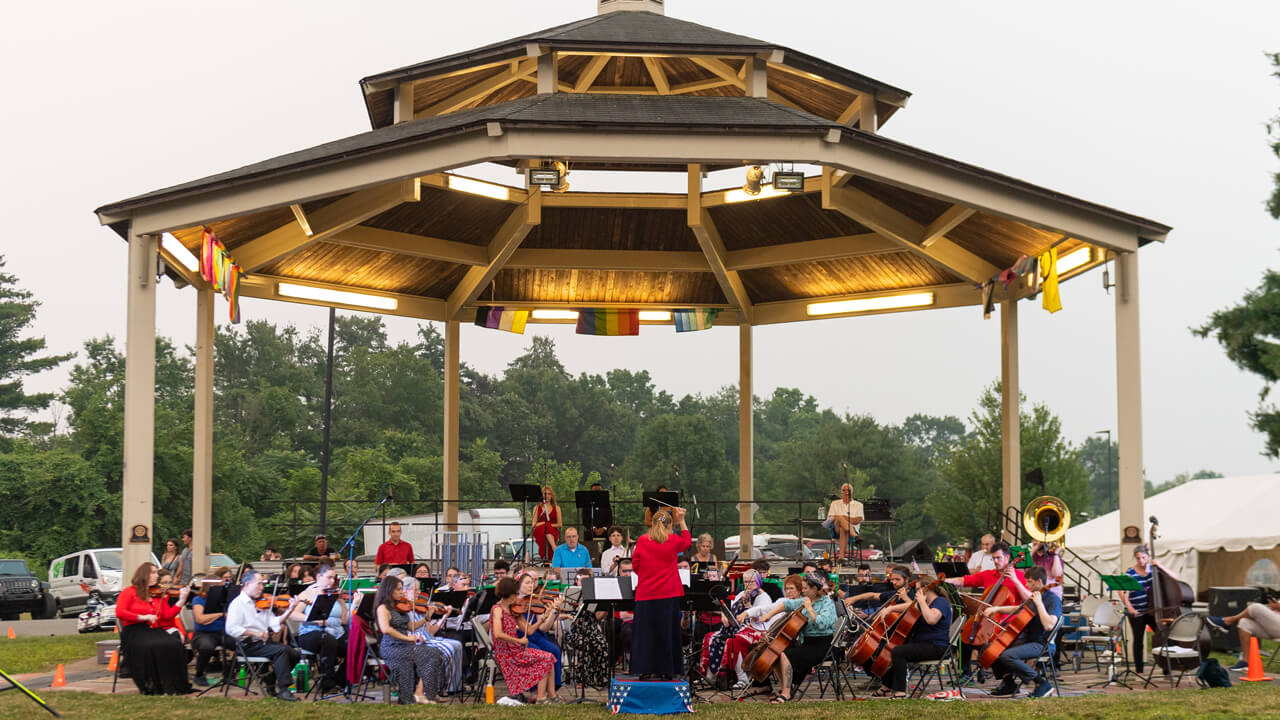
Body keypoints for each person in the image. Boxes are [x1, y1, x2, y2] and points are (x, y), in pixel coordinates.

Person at [946, 541, 1030, 680]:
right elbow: (965, 580)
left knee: (990, 644)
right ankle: (966, 674)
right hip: (987, 618)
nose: (996, 561)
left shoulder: (1020, 577)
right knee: (964, 638)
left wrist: (1015, 580)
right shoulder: (988, 575)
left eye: (998, 558)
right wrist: (947, 580)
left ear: (1007, 557)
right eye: (994, 558)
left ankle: (1003, 677)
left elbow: (1028, 600)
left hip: (1007, 621)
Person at [631, 507, 691, 679]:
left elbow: (635, 565)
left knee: (646, 633)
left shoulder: (642, 540)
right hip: (668, 593)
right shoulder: (672, 540)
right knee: (667, 632)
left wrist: (648, 573)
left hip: (646, 593)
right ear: (670, 525)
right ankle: (666, 670)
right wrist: (682, 520)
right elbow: (687, 542)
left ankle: (646, 669)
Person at [226, 570, 305, 701]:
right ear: (247, 585)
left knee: (295, 654)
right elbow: (231, 628)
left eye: (262, 584)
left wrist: (290, 609)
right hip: (247, 644)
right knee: (281, 650)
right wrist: (255, 633)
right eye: (258, 584)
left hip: (262, 643)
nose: (262, 588)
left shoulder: (261, 603)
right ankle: (284, 690)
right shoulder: (237, 604)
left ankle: (270, 679)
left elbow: (274, 621)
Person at [758, 572, 837, 703]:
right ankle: (785, 688)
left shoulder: (827, 604)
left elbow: (822, 624)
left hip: (822, 645)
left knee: (786, 655)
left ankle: (787, 693)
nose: (803, 591)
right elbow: (786, 605)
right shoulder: (806, 600)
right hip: (806, 643)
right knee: (776, 653)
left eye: (806, 588)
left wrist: (810, 609)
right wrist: (769, 615)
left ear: (815, 589)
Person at [115, 563, 193, 695]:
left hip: (154, 630)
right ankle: (151, 683)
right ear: (143, 575)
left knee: (175, 645)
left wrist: (182, 600)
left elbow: (167, 615)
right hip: (135, 631)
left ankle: (173, 684)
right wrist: (143, 617)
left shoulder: (158, 595)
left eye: (156, 573)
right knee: (152, 645)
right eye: (153, 573)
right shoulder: (129, 592)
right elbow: (120, 612)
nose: (156, 576)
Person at [984, 566, 1061, 698]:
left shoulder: (1052, 599)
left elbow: (1049, 625)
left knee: (1007, 655)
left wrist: (1039, 604)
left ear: (1039, 582)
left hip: (1043, 644)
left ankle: (1041, 683)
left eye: (1030, 581)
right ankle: (1009, 684)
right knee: (992, 648)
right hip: (1029, 640)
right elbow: (1018, 609)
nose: (1026, 584)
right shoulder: (1035, 597)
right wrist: (996, 608)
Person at [872, 575, 953, 699]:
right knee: (897, 650)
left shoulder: (940, 602)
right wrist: (891, 608)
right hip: (925, 644)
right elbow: (909, 607)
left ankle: (900, 692)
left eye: (918, 589)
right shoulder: (926, 603)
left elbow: (931, 619)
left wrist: (921, 601)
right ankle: (886, 687)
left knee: (899, 652)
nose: (916, 592)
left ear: (926, 589)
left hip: (937, 646)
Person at [373, 575, 445, 704]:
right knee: (423, 656)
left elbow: (411, 626)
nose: (402, 592)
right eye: (399, 590)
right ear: (389, 590)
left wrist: (427, 617)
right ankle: (416, 696)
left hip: (405, 645)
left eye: (402, 589)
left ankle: (428, 693)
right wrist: (406, 638)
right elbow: (386, 629)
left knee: (436, 653)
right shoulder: (382, 608)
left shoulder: (399, 607)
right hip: (391, 647)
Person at [491, 576, 560, 704]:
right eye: (515, 594)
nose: (517, 596)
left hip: (516, 649)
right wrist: (518, 641)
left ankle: (552, 696)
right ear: (509, 594)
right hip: (507, 653)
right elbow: (498, 633)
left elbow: (529, 631)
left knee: (549, 656)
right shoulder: (497, 610)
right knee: (545, 659)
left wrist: (543, 618)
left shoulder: (513, 609)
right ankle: (541, 698)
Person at [699, 569, 771, 689]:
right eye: (746, 582)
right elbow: (729, 608)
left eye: (752, 582)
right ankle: (711, 675)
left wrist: (748, 607)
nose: (749, 585)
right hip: (737, 628)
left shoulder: (763, 597)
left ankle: (742, 678)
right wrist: (724, 616)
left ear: (758, 582)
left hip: (757, 630)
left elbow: (760, 618)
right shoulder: (741, 594)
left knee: (734, 640)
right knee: (710, 637)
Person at [1119, 544, 1181, 676]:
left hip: (1153, 611)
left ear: (1148, 557)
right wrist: (1131, 609)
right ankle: (1139, 671)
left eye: (1143, 557)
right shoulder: (1130, 573)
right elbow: (1121, 591)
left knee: (1163, 636)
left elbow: (1174, 578)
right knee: (1138, 640)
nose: (1141, 561)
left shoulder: (1154, 570)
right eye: (1138, 558)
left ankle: (1166, 669)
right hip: (1137, 611)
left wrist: (1159, 565)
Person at [288, 563, 348, 691]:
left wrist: (352, 605)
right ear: (319, 577)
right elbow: (293, 614)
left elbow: (344, 619)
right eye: (329, 577)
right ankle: (327, 682)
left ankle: (340, 679)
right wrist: (312, 619)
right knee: (328, 640)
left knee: (354, 644)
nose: (332, 581)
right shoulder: (308, 593)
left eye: (334, 578)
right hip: (310, 633)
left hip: (334, 630)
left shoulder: (335, 594)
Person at [403, 576, 464, 695]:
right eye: (415, 590)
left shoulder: (418, 608)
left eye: (418, 590)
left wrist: (445, 616)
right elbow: (411, 629)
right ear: (405, 591)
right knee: (448, 649)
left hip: (430, 638)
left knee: (457, 645)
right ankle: (441, 687)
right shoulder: (404, 610)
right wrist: (427, 616)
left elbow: (430, 631)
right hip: (418, 642)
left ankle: (454, 686)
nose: (419, 593)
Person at [515, 570, 565, 688]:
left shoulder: (535, 601)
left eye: (532, 582)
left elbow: (543, 628)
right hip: (521, 637)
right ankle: (534, 688)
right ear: (518, 585)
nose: (531, 585)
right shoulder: (513, 602)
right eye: (527, 583)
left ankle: (553, 688)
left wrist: (554, 611)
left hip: (537, 636)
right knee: (540, 653)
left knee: (555, 650)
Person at [563, 567, 611, 688]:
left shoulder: (594, 595)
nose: (583, 584)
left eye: (587, 581)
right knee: (584, 643)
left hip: (592, 629)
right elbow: (561, 614)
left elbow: (598, 617)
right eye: (581, 580)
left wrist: (607, 607)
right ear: (576, 581)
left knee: (602, 644)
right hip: (576, 631)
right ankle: (583, 679)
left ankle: (602, 679)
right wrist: (570, 614)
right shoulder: (570, 595)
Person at [1206, 595, 1280, 671]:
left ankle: (1227, 622)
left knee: (1256, 607)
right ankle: (1245, 662)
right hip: (1275, 627)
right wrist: (1274, 608)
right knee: (1244, 623)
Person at [191, 567, 234, 686]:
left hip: (222, 632)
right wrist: (220, 614)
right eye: (218, 587)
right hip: (204, 633)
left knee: (240, 644)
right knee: (207, 647)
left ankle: (230, 672)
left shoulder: (223, 601)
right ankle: (199, 674)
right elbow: (200, 619)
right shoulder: (199, 599)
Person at [826, 483, 863, 560]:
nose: (846, 492)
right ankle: (855, 536)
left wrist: (845, 518)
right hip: (836, 530)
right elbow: (830, 518)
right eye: (844, 490)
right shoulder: (834, 503)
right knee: (839, 518)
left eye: (848, 490)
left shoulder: (859, 505)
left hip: (851, 529)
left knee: (843, 527)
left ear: (852, 492)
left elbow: (858, 520)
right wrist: (842, 518)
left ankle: (841, 557)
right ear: (841, 492)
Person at [581, 481, 613, 551]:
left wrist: (603, 528)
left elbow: (610, 520)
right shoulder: (586, 505)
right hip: (591, 530)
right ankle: (591, 554)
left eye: (599, 491)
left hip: (604, 530)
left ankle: (605, 553)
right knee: (587, 533)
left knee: (611, 534)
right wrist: (593, 528)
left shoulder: (606, 504)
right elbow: (585, 520)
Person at [533, 486, 562, 563]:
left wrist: (548, 525)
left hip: (553, 531)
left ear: (552, 496)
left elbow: (560, 524)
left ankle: (546, 557)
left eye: (549, 494)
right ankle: (554, 548)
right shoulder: (536, 507)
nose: (547, 496)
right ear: (542, 495)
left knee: (546, 528)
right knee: (544, 527)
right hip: (539, 530)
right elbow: (533, 524)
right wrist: (544, 523)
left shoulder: (557, 508)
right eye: (545, 494)